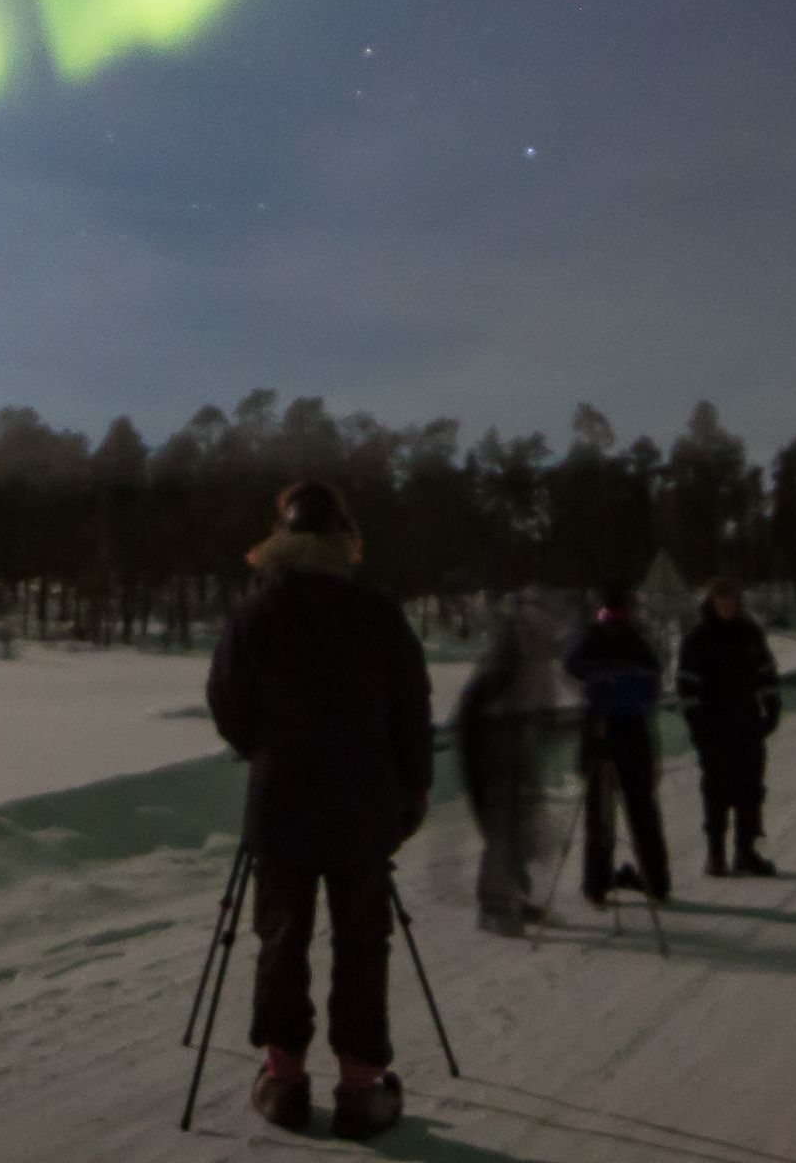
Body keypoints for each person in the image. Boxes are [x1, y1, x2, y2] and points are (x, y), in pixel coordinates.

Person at [208, 480, 434, 1140]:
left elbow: (226, 700)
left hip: (281, 806)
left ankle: (284, 1080)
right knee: (362, 942)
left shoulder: (255, 614)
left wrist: (263, 748)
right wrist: (412, 789)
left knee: (282, 939)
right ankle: (361, 1088)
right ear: (342, 540)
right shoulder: (377, 613)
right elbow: (411, 708)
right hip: (364, 806)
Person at [453, 593, 561, 936]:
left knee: (522, 826)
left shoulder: (533, 666)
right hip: (493, 756)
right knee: (503, 829)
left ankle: (515, 893)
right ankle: (494, 904)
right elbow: (479, 715)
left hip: (514, 753)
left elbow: (539, 711)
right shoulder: (501, 668)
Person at [563, 584, 672, 904]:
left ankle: (596, 883)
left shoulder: (593, 639)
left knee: (599, 810)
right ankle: (656, 881)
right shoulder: (636, 641)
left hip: (599, 727)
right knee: (641, 808)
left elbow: (571, 665)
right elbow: (653, 686)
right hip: (630, 730)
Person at [674, 578, 780, 877]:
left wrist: (772, 707)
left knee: (751, 790)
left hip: (747, 723)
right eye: (722, 599)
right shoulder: (698, 639)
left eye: (732, 598)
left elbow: (766, 673)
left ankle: (747, 851)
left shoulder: (750, 633)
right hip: (713, 727)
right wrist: (698, 723)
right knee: (716, 789)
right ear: (712, 601)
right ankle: (715, 854)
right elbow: (686, 686)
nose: (728, 604)